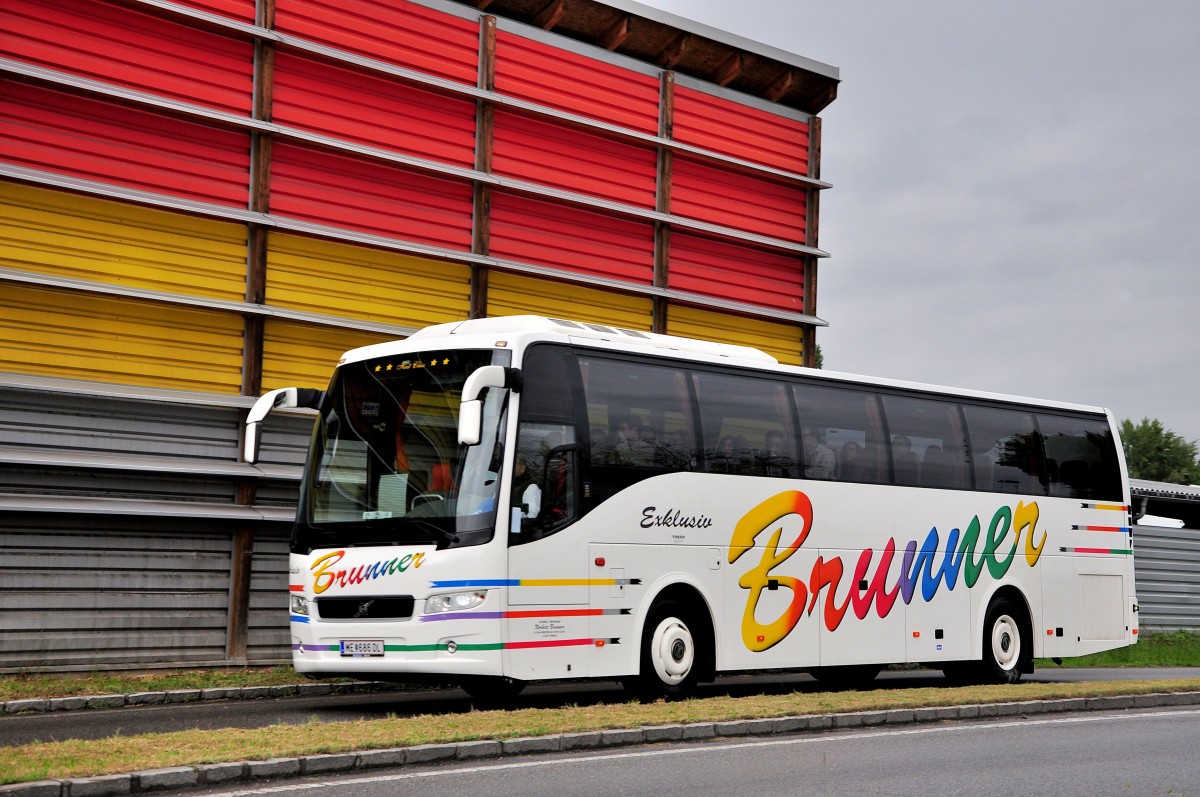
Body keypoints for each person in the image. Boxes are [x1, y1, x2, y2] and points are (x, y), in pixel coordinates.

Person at [510, 455, 541, 528]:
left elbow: (530, 518)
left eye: (513, 464)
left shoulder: (531, 487)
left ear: (522, 468)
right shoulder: (509, 485)